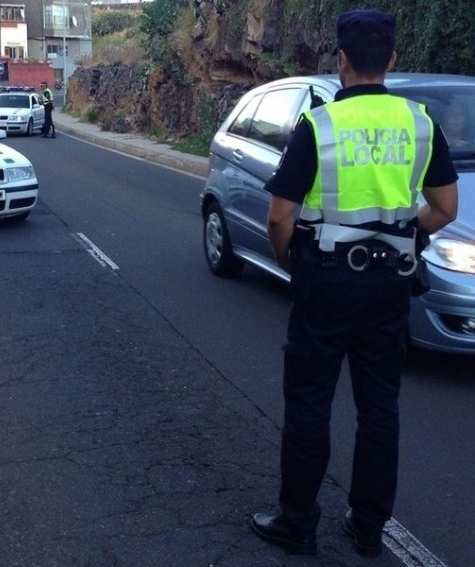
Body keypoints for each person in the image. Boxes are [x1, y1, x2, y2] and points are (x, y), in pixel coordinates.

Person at [250, 8, 458, 558]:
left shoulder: (318, 127)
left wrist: (290, 260)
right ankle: (368, 526)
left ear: (340, 60)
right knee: (380, 407)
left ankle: (297, 522)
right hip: (390, 285)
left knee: (310, 403)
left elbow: (279, 216)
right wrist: (400, 231)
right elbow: (444, 207)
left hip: (324, 281)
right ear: (390, 59)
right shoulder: (420, 122)